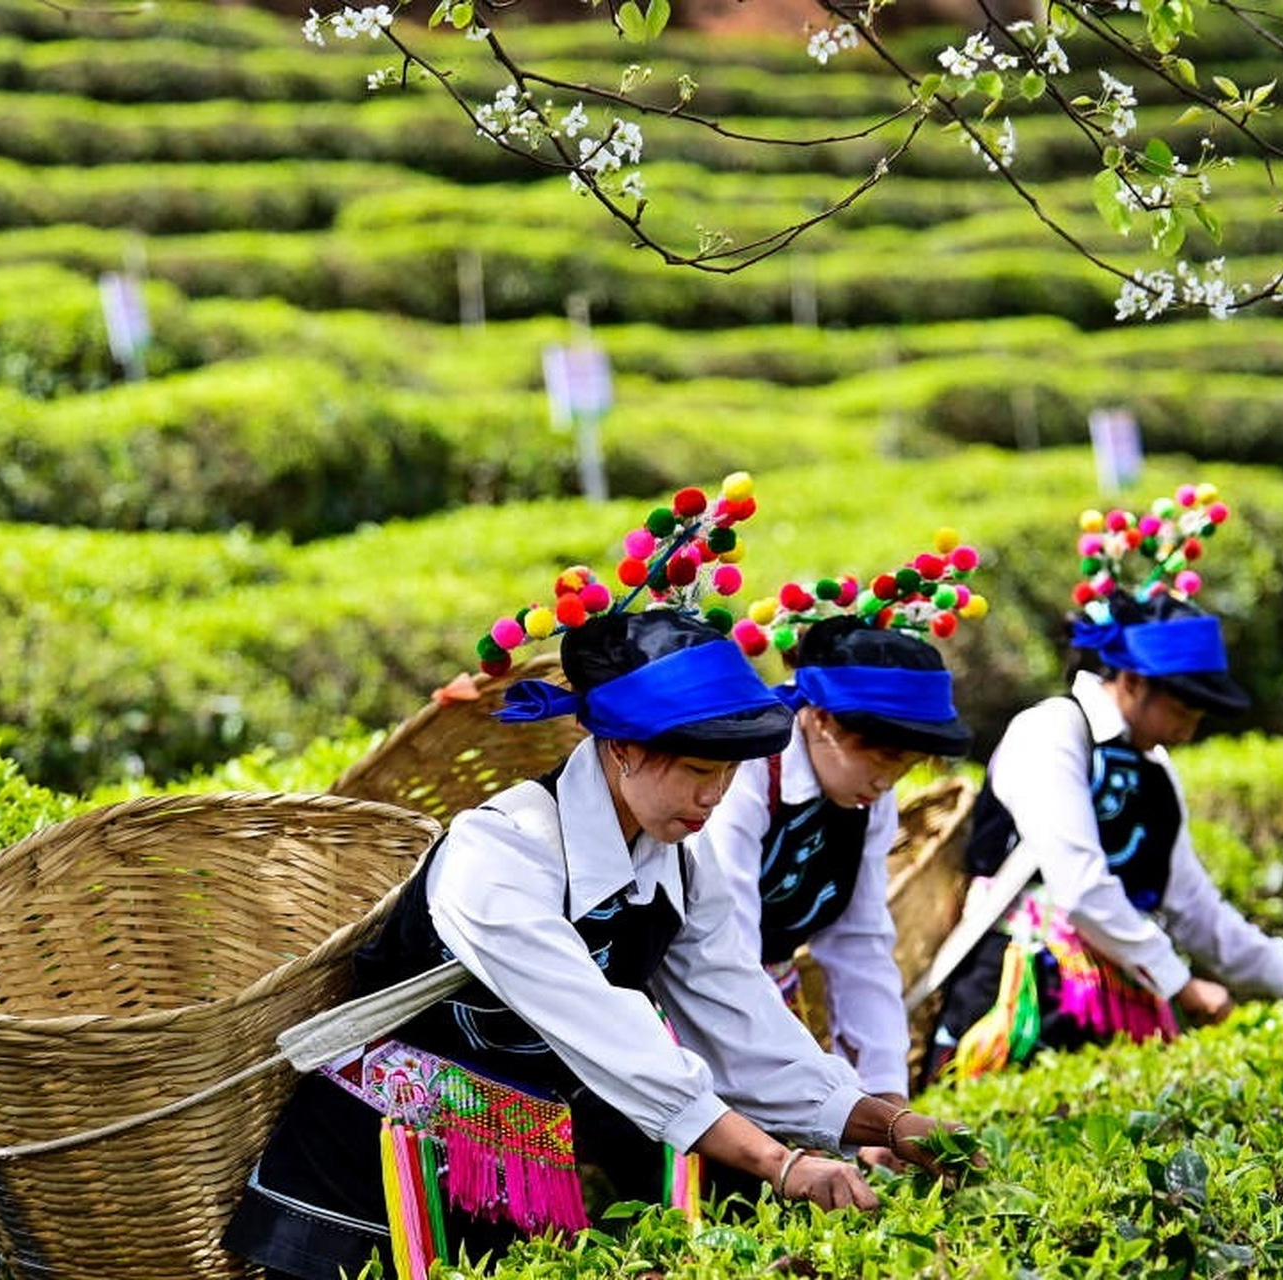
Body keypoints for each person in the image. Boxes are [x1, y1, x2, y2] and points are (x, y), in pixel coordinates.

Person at [225, 480, 965, 1280]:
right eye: (694, 771)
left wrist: (884, 1120)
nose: (714, 798)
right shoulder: (499, 854)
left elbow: (743, 1023)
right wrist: (779, 1164)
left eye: (727, 775)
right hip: (372, 1184)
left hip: (517, 1177)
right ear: (621, 750)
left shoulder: (676, 865)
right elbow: (611, 1036)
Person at [923, 484, 1283, 1084]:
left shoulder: (1154, 767)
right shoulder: (1052, 732)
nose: (1187, 734)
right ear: (1134, 682)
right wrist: (1180, 983)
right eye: (1183, 714)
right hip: (1019, 998)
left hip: (1121, 1008)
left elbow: (1194, 908)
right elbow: (1081, 885)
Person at [703, 540, 983, 1122]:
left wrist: (887, 1097)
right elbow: (722, 941)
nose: (886, 782)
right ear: (821, 718)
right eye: (879, 758)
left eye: (902, 768)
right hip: (694, 1001)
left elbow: (858, 944)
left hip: (769, 1002)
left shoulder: (864, 798)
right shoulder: (747, 770)